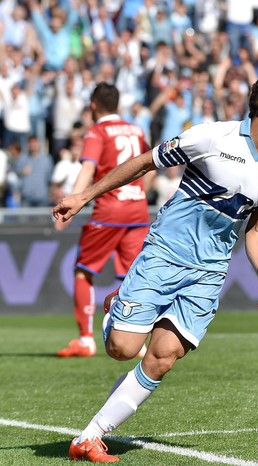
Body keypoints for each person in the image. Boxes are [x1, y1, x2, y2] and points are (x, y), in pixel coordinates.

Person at [53, 69, 258, 462]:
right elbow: (142, 164)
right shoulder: (210, 137)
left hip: (209, 272)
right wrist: (84, 196)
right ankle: (119, 307)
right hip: (165, 254)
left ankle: (91, 436)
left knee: (163, 355)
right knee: (122, 348)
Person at [55, 83, 153, 359]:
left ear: (94, 106)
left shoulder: (98, 131)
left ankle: (86, 339)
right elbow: (148, 164)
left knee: (83, 270)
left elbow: (87, 168)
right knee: (129, 277)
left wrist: (73, 201)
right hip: (138, 210)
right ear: (118, 105)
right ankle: (133, 339)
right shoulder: (136, 130)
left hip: (110, 211)